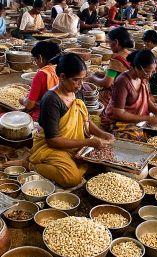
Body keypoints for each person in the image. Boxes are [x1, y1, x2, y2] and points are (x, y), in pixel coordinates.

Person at [18, 54, 114, 187]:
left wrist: (102, 134)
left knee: (105, 160)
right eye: (76, 80)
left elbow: (85, 120)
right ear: (62, 77)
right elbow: (52, 140)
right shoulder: (51, 99)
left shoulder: (78, 90)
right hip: (53, 147)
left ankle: (79, 164)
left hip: (75, 143)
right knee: (71, 178)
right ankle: (30, 164)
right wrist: (90, 142)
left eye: (83, 79)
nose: (80, 84)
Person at [102, 50, 157, 141]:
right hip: (117, 122)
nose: (149, 75)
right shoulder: (122, 81)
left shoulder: (143, 78)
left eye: (152, 72)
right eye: (147, 72)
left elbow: (146, 101)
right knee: (138, 139)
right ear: (137, 67)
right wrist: (147, 118)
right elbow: (118, 113)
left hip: (136, 120)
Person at [89, 27, 133, 104]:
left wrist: (92, 77)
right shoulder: (130, 54)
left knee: (92, 96)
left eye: (109, 42)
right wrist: (100, 74)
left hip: (122, 94)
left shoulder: (116, 59)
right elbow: (118, 73)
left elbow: (106, 83)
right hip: (132, 91)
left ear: (116, 42)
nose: (108, 45)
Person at [20, 41, 61, 121]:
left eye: (35, 60)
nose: (36, 63)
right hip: (64, 113)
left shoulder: (42, 74)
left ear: (40, 57)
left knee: (2, 116)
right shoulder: (62, 67)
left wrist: (22, 100)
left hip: (47, 116)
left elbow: (29, 105)